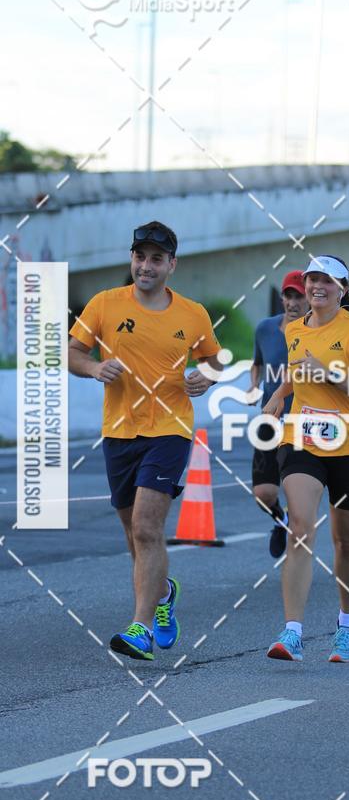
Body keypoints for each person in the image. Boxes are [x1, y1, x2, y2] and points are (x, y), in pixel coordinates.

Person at [68, 220, 221, 661]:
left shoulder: (192, 314)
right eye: (140, 257)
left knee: (146, 528)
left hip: (170, 430)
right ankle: (163, 593)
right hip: (119, 431)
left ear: (172, 265)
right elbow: (73, 352)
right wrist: (94, 368)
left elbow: (214, 361)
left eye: (156, 259)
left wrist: (205, 377)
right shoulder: (105, 303)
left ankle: (140, 628)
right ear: (131, 259)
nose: (146, 266)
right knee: (134, 536)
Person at [262, 255, 349, 663]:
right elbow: (296, 371)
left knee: (346, 542)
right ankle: (292, 633)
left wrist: (330, 374)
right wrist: (278, 396)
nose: (317, 286)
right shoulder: (295, 329)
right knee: (300, 527)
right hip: (302, 439)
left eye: (327, 281)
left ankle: (347, 624)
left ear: (343, 289)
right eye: (312, 279)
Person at [249, 271, 309, 558]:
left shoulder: (317, 332)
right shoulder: (265, 328)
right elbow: (257, 363)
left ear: (309, 299)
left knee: (299, 493)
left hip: (303, 423)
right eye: (288, 295)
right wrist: (253, 385)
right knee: (264, 494)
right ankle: (280, 520)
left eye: (299, 296)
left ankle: (298, 559)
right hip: (270, 420)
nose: (293, 302)